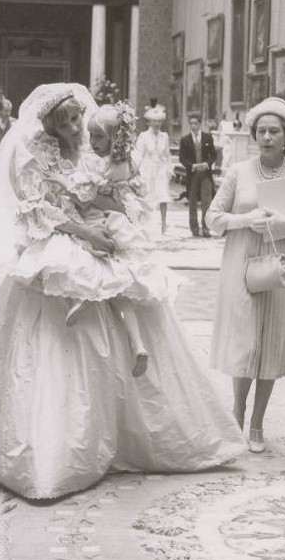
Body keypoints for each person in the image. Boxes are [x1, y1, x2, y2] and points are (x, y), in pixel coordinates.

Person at [0, 83, 245, 500]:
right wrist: (85, 230)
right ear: (50, 126)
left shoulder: (96, 149)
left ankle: (134, 424)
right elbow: (38, 210)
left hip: (102, 230)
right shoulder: (37, 156)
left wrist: (112, 219)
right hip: (62, 236)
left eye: (75, 119)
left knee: (129, 286)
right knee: (65, 285)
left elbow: (121, 191)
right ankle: (57, 443)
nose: (73, 127)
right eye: (63, 122)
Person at [206, 97, 285, 453]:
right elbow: (212, 218)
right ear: (253, 135)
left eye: (274, 131)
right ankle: (237, 410)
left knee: (271, 344)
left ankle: (258, 422)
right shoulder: (238, 172)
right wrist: (245, 220)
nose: (267, 137)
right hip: (242, 266)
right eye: (261, 131)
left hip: (282, 268)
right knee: (246, 342)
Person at [36, 101, 176, 378]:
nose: (79, 131)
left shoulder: (103, 164)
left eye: (78, 120)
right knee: (118, 278)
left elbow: (85, 194)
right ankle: (137, 344)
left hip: (109, 222)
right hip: (120, 225)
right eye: (65, 125)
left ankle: (90, 297)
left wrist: (64, 182)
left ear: (114, 138)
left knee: (102, 264)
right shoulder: (126, 160)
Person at [134, 103, 173, 234]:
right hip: (148, 169)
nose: (157, 124)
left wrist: (169, 169)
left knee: (163, 196)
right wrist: (138, 172)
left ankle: (163, 224)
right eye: (154, 121)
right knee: (148, 197)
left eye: (159, 121)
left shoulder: (165, 137)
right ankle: (147, 224)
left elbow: (167, 155)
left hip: (161, 169)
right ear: (149, 122)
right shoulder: (144, 136)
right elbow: (138, 155)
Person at [179, 113, 218, 237]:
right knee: (192, 201)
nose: (193, 126)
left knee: (207, 201)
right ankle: (194, 228)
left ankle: (206, 228)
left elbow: (213, 154)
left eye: (195, 123)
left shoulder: (207, 137)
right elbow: (182, 158)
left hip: (205, 174)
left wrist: (208, 163)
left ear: (200, 124)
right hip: (192, 175)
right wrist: (191, 166)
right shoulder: (185, 140)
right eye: (191, 123)